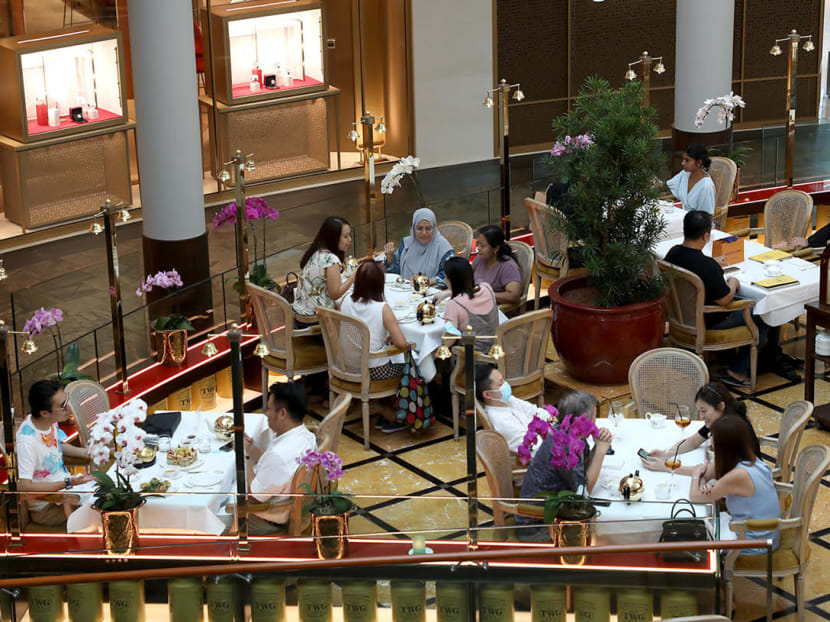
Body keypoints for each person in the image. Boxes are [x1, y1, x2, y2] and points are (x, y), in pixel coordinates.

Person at [665, 210, 788, 388]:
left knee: (750, 301)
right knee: (764, 311)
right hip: (709, 320)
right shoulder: (707, 265)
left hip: (682, 315)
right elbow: (725, 300)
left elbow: (696, 265)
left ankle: (730, 355)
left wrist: (713, 263)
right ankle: (737, 369)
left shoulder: (674, 252)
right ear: (706, 235)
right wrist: (733, 283)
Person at [516, 391, 613, 541]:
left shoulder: (567, 431)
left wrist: (597, 445)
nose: (595, 422)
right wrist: (600, 451)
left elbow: (583, 470)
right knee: (601, 537)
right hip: (538, 526)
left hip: (555, 508)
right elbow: (583, 493)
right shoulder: (564, 447)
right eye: (594, 417)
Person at [687, 415, 780, 555]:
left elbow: (695, 496)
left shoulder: (738, 475)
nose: (711, 441)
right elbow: (708, 475)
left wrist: (696, 475)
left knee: (695, 537)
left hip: (755, 541)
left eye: (713, 437)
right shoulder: (751, 460)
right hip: (764, 533)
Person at [340, 261, 410, 434]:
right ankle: (389, 412)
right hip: (373, 371)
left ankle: (380, 404)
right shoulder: (382, 308)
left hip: (346, 365)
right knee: (410, 363)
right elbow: (402, 344)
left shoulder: (345, 301)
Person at [16, 380, 94, 526]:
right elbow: (24, 486)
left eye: (67, 400)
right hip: (49, 506)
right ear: (44, 413)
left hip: (69, 490)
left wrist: (88, 452)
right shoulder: (27, 441)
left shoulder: (49, 421)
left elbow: (57, 444)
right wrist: (67, 483)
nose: (69, 408)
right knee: (101, 510)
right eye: (63, 405)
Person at [243, 382, 317, 535]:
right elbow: (274, 468)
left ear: (283, 413)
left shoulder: (278, 456)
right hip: (291, 507)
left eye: (269, 409)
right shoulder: (307, 437)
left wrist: (244, 456)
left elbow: (253, 498)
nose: (266, 414)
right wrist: (250, 449)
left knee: (213, 519)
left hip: (267, 521)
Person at [640, 382, 760, 475]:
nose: (701, 417)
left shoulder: (730, 429)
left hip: (745, 482)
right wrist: (666, 453)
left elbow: (712, 472)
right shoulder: (720, 419)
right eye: (699, 411)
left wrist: (667, 467)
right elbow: (694, 441)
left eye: (704, 411)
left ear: (721, 406)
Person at [475, 364, 551, 454]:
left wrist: (549, 419)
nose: (505, 384)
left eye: (503, 379)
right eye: (500, 384)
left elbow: (532, 410)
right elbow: (533, 447)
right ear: (488, 394)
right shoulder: (500, 421)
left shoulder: (506, 400)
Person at [292, 216, 355, 321]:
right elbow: (335, 294)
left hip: (299, 314)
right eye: (345, 236)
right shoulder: (331, 260)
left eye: (350, 235)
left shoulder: (317, 252)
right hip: (316, 319)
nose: (350, 239)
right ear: (334, 238)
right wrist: (354, 276)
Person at [383, 208, 454, 284]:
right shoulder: (406, 244)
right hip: (404, 288)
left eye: (428, 228)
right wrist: (390, 258)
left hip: (431, 289)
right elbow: (395, 275)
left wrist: (426, 283)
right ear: (413, 228)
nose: (424, 233)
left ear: (434, 228)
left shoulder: (443, 247)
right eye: (419, 228)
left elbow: (452, 274)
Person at [442, 257, 499, 352]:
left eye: (445, 277)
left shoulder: (455, 304)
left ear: (451, 280)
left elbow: (448, 342)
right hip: (495, 350)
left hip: (470, 357)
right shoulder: (487, 288)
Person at [472, 225, 522, 306]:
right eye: (478, 244)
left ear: (496, 248)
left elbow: (514, 296)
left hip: (494, 308)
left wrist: (486, 295)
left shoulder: (508, 266)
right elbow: (468, 276)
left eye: (483, 246)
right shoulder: (480, 258)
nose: (479, 248)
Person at [667, 144, 716, 215]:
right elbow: (670, 186)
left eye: (687, 160)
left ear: (699, 163)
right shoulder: (685, 174)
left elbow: (705, 216)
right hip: (681, 215)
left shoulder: (706, 186)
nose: (682, 163)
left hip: (696, 221)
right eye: (683, 159)